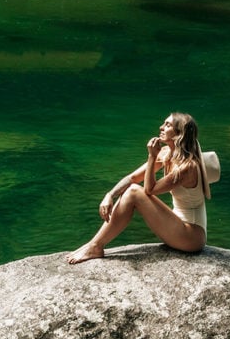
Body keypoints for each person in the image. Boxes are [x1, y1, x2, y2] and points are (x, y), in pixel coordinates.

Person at [66, 112, 211, 264]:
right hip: (177, 226)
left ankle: (95, 246)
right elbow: (133, 177)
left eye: (167, 125)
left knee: (134, 192)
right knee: (133, 188)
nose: (161, 127)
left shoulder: (188, 167)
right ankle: (94, 244)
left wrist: (152, 157)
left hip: (192, 236)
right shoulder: (168, 153)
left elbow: (150, 190)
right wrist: (110, 195)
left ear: (179, 133)